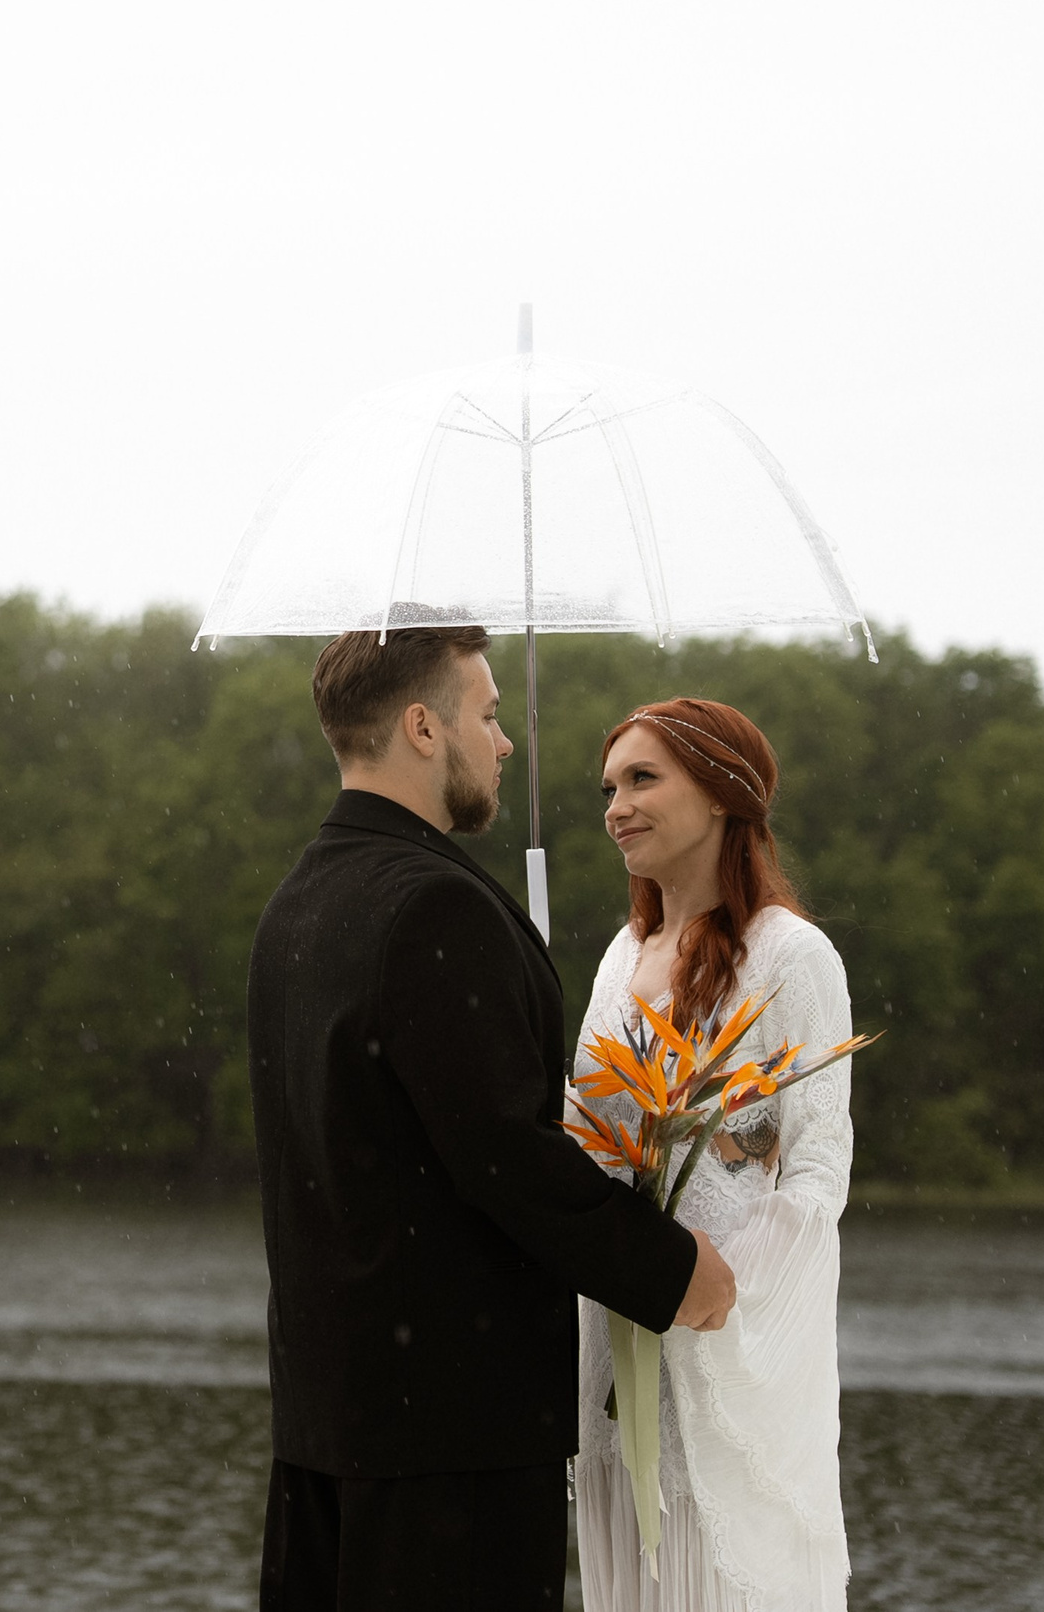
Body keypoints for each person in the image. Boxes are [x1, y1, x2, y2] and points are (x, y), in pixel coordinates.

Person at [249, 627, 736, 1612]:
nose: (504, 742)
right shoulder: (434, 905)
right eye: (486, 713)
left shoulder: (298, 902)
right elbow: (502, 1159)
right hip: (446, 1439)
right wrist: (671, 1269)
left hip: (327, 1422)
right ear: (422, 728)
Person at [572, 699, 856, 1612]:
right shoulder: (621, 955)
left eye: (642, 779)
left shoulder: (791, 956)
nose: (616, 804)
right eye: (609, 786)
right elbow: (581, 1141)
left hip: (727, 1348)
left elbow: (817, 1172)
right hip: (616, 1336)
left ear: (724, 794)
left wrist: (716, 1288)